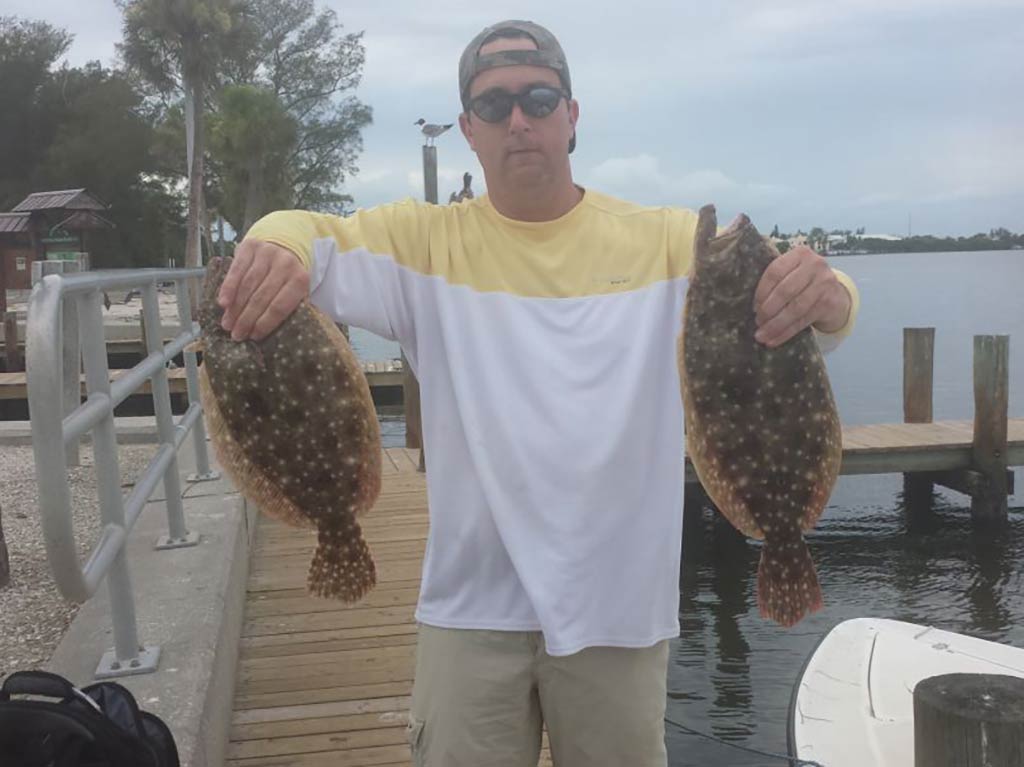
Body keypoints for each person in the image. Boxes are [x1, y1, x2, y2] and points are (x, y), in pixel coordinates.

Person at [216, 19, 859, 767]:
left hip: (620, 611)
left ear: (572, 116)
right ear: (468, 129)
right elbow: (310, 235)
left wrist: (828, 294)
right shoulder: (424, 243)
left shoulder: (669, 243)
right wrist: (274, 241)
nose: (518, 119)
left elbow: (825, 304)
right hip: (470, 607)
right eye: (494, 106)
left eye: (539, 98)